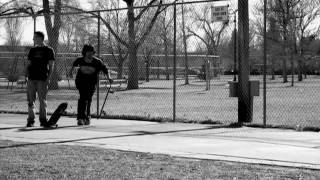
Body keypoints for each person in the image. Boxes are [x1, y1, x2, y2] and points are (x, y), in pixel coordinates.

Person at [70, 44, 113, 126]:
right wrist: (70, 72)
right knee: (83, 98)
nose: (90, 53)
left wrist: (109, 78)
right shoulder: (80, 60)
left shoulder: (97, 62)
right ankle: (81, 118)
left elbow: (105, 70)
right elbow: (73, 65)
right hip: (81, 81)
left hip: (92, 83)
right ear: (85, 52)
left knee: (88, 99)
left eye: (92, 52)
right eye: (88, 52)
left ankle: (87, 116)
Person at [25, 31, 55, 127]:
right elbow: (28, 64)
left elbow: (51, 66)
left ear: (40, 38)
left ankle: (43, 119)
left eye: (35, 37)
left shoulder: (49, 50)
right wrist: (26, 76)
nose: (33, 39)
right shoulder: (32, 50)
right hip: (31, 79)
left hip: (42, 79)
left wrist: (48, 78)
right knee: (30, 100)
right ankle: (31, 120)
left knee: (42, 100)